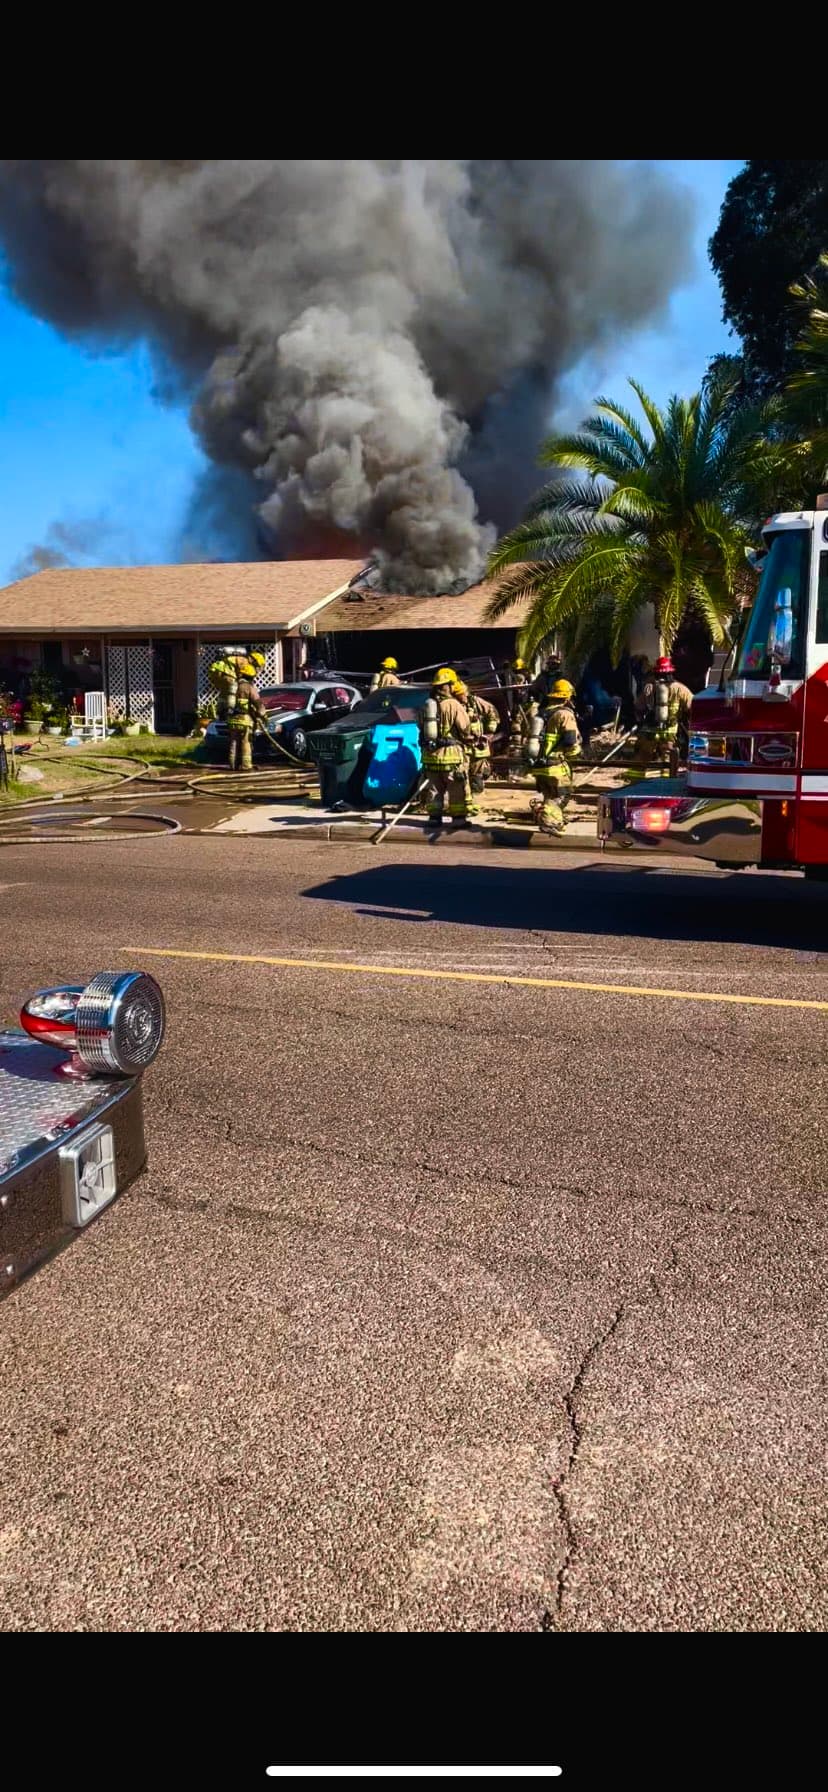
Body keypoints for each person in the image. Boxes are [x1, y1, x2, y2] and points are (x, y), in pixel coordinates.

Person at [528, 677, 582, 835]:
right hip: (554, 765)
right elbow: (570, 740)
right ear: (567, 697)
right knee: (562, 794)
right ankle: (548, 822)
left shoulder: (542, 713)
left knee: (549, 794)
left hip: (538, 764)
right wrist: (575, 754)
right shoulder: (564, 714)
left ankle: (553, 819)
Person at [625, 655, 693, 781]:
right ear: (671, 672)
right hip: (669, 734)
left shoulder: (649, 687)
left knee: (641, 758)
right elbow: (693, 707)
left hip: (649, 732)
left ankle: (633, 783)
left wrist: (640, 720)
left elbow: (638, 707)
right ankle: (665, 785)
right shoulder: (680, 689)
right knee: (667, 761)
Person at [419, 667, 472, 826]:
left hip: (431, 756)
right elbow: (465, 728)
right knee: (455, 787)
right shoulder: (453, 704)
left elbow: (420, 727)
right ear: (448, 685)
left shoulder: (427, 705)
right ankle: (458, 819)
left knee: (435, 788)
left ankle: (434, 818)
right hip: (451, 756)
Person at [455, 678, 499, 798]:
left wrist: (490, 732)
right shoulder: (453, 705)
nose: (461, 697)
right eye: (458, 695)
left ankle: (476, 799)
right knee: (461, 775)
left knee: (477, 775)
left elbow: (492, 711)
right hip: (461, 747)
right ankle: (463, 800)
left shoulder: (475, 702)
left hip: (478, 747)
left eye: (462, 694)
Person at [227, 661, 267, 773]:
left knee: (233, 743)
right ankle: (246, 765)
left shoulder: (233, 687)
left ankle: (232, 765)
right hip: (244, 721)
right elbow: (258, 703)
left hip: (232, 720)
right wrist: (262, 715)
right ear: (250, 676)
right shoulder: (249, 687)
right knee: (246, 743)